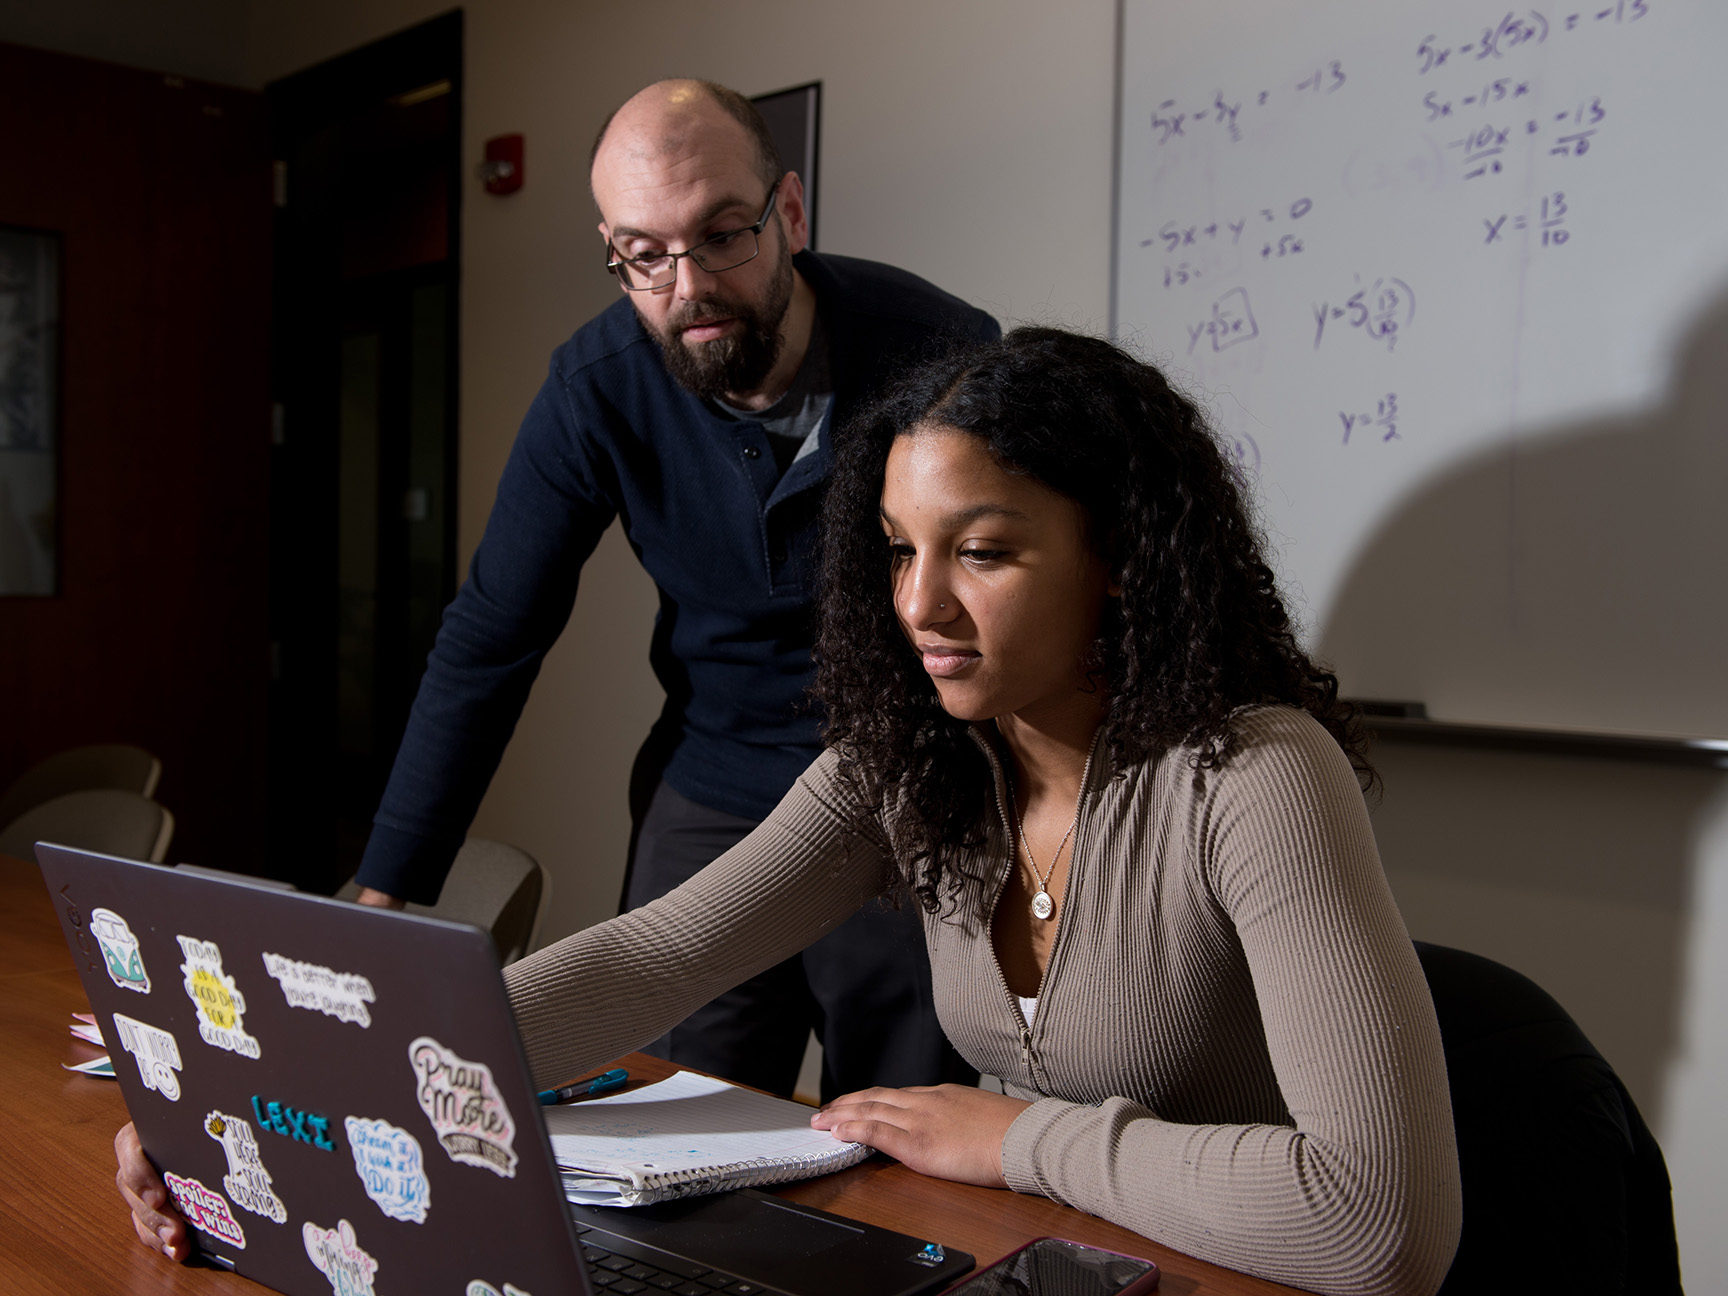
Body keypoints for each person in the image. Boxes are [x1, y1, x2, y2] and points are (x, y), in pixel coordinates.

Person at [119, 328, 1462, 1295]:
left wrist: (1021, 1135)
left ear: (1121, 559)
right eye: (897, 551)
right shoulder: (920, 759)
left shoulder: (1256, 776)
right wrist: (254, 1090)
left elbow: (1376, 1227)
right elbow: (659, 953)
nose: (920, 605)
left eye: (981, 552)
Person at [350, 79, 995, 1098]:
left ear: (788, 213)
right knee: (675, 1117)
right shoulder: (595, 388)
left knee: (902, 1131)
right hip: (716, 778)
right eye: (644, 255)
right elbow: (490, 635)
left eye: (721, 235)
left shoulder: (940, 352)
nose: (687, 286)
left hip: (907, 786)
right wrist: (386, 893)